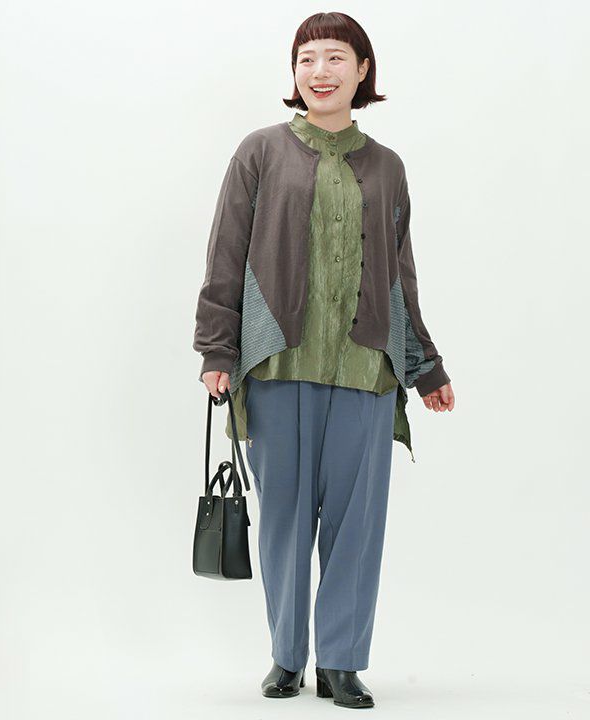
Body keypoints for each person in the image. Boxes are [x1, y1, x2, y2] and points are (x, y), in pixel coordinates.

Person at [193, 11, 455, 710]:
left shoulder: (387, 167)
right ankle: (287, 655)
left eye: (336, 57)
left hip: (366, 371)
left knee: (355, 525)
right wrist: (217, 347)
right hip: (277, 366)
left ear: (362, 70)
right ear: (294, 72)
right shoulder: (259, 152)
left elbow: (400, 276)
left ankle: (340, 662)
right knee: (283, 520)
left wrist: (424, 366)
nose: (320, 71)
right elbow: (225, 255)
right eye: (307, 58)